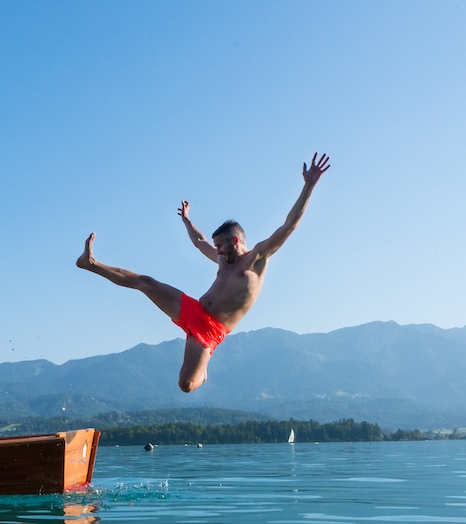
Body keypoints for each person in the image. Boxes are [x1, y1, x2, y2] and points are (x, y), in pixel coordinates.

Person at [77, 153, 330, 392]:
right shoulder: (222, 259)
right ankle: (91, 263)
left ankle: (203, 373)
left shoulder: (257, 259)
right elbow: (199, 242)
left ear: (234, 241)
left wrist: (308, 187)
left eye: (219, 245)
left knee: (185, 385)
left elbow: (289, 225)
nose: (216, 251)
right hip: (193, 309)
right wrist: (187, 220)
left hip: (211, 330)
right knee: (146, 282)